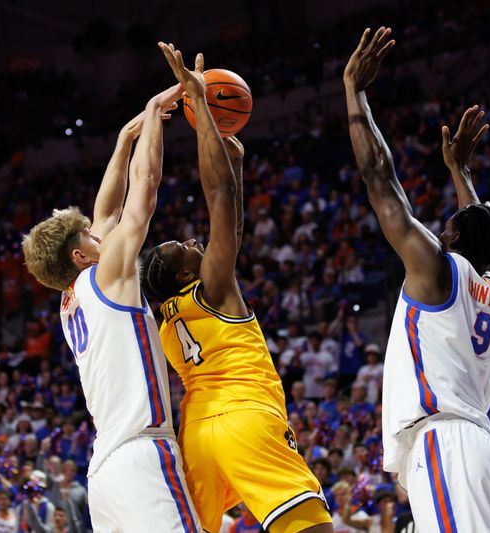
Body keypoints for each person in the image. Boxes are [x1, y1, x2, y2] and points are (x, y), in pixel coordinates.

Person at [140, 42, 332, 533]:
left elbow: (231, 236)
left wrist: (238, 167)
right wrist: (200, 102)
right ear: (186, 274)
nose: (190, 240)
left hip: (198, 433)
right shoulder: (211, 288)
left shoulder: (171, 314)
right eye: (181, 246)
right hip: (245, 414)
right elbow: (218, 198)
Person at [343, 27, 490, 531]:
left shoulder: (439, 270)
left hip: (448, 445)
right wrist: (460, 171)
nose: (436, 231)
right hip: (477, 447)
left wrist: (355, 92)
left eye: (446, 228)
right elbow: (485, 241)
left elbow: (379, 177)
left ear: (451, 238)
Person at [21, 83, 202, 532]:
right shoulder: (107, 275)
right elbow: (144, 189)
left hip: (104, 473)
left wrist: (124, 141)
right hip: (142, 455)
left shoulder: (73, 298)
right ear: (80, 256)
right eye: (88, 237)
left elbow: (104, 212)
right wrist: (153, 111)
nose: (100, 233)